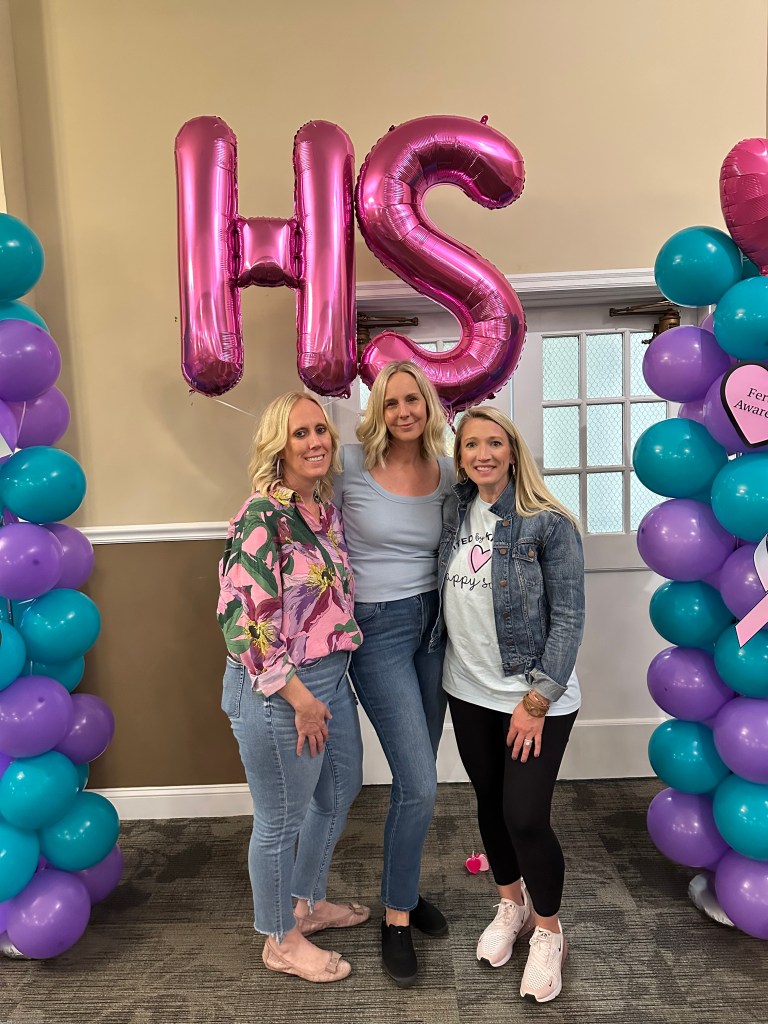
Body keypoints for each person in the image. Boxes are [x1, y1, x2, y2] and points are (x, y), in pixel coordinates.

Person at [217, 391, 369, 985]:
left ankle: (307, 902)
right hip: (280, 692)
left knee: (339, 788)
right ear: (277, 446)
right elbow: (243, 622)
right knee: (280, 819)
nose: (315, 442)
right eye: (300, 433)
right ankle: (279, 938)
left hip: (330, 678)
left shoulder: (321, 510)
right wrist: (299, 698)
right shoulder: (261, 515)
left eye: (320, 430)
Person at [436, 406, 584, 1004]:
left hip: (533, 696)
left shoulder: (549, 523)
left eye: (494, 442)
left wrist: (537, 700)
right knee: (491, 807)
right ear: (460, 457)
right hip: (467, 689)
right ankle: (511, 905)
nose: (483, 454)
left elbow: (569, 618)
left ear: (513, 450)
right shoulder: (454, 510)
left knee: (525, 816)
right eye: (471, 444)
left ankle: (549, 931)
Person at [333, 360, 454, 987]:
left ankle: (400, 888)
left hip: (437, 626)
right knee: (421, 783)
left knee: (418, 777)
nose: (404, 411)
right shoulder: (348, 465)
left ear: (428, 407)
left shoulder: (449, 471)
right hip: (376, 630)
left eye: (414, 399)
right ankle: (397, 918)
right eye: (391, 401)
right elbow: (308, 531)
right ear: (377, 409)